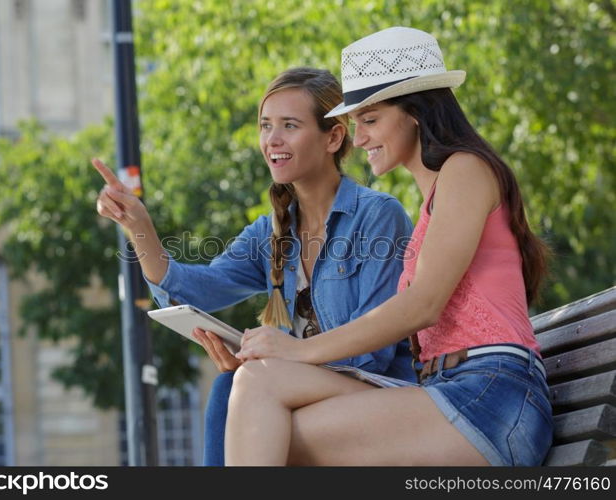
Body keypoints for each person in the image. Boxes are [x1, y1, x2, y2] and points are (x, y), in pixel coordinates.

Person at [226, 27, 553, 466]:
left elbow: (423, 305)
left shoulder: (467, 170)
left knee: (271, 427)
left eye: (370, 119)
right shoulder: (432, 203)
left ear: (415, 113)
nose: (357, 138)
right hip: (442, 393)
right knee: (257, 383)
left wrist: (300, 349)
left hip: (492, 398)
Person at [92, 67, 415, 466]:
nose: (272, 140)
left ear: (333, 136)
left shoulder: (378, 217)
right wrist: (138, 226)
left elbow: (374, 354)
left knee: (243, 385)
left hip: (379, 392)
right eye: (265, 126)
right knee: (229, 385)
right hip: (298, 386)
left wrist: (279, 359)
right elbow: (197, 289)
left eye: (289, 125)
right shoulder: (272, 232)